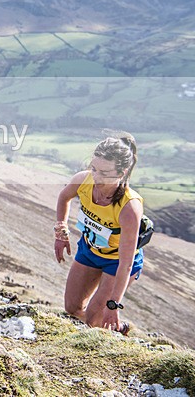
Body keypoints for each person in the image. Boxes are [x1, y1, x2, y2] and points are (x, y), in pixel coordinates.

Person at [54, 132, 144, 335]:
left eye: (104, 173)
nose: (96, 177)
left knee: (94, 317)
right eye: (93, 168)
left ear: (121, 173)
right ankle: (107, 325)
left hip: (117, 261)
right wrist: (61, 232)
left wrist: (113, 305)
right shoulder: (83, 180)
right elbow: (63, 197)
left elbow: (126, 264)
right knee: (72, 308)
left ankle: (116, 329)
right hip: (90, 250)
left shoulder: (129, 207)